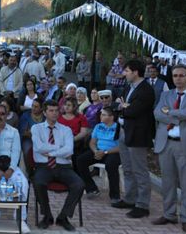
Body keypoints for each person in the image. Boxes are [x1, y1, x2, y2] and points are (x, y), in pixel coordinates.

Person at [152, 64, 186, 233]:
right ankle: (169, 214)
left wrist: (171, 112)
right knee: (167, 182)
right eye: (175, 75)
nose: (178, 78)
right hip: (166, 143)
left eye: (182, 75)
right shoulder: (166, 94)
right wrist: (180, 114)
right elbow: (157, 114)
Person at [32, 100, 85, 232]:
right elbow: (38, 147)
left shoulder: (66, 130)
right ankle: (47, 216)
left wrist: (50, 152)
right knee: (38, 182)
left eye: (56, 110)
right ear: (44, 112)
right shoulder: (36, 128)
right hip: (43, 166)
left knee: (79, 184)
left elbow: (69, 150)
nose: (54, 113)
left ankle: (63, 217)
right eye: (51, 110)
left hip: (64, 166)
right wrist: (60, 149)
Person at [112, 59, 155, 218]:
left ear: (136, 72)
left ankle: (143, 205)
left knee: (140, 170)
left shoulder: (146, 90)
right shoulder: (128, 87)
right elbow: (116, 106)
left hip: (137, 134)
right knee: (128, 169)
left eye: (127, 71)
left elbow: (133, 111)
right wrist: (122, 107)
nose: (124, 74)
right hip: (124, 131)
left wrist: (123, 107)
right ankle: (130, 199)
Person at [0, 104, 30, 233]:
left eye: (2, 114)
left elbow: (16, 152)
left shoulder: (14, 132)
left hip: (11, 166)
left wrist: (11, 169)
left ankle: (20, 219)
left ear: (6, 115)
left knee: (23, 184)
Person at [76, 107, 121, 204]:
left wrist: (105, 152)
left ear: (111, 117)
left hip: (112, 152)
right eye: (101, 114)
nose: (100, 116)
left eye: (104, 114)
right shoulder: (98, 126)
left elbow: (121, 147)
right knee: (80, 160)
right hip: (98, 151)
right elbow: (92, 142)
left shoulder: (118, 128)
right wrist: (96, 151)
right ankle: (92, 188)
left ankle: (115, 196)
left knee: (111, 165)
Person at [58, 98, 90, 171]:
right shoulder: (58, 117)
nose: (66, 107)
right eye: (65, 105)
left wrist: (72, 139)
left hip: (76, 141)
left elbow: (84, 132)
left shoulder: (81, 117)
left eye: (69, 105)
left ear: (74, 106)